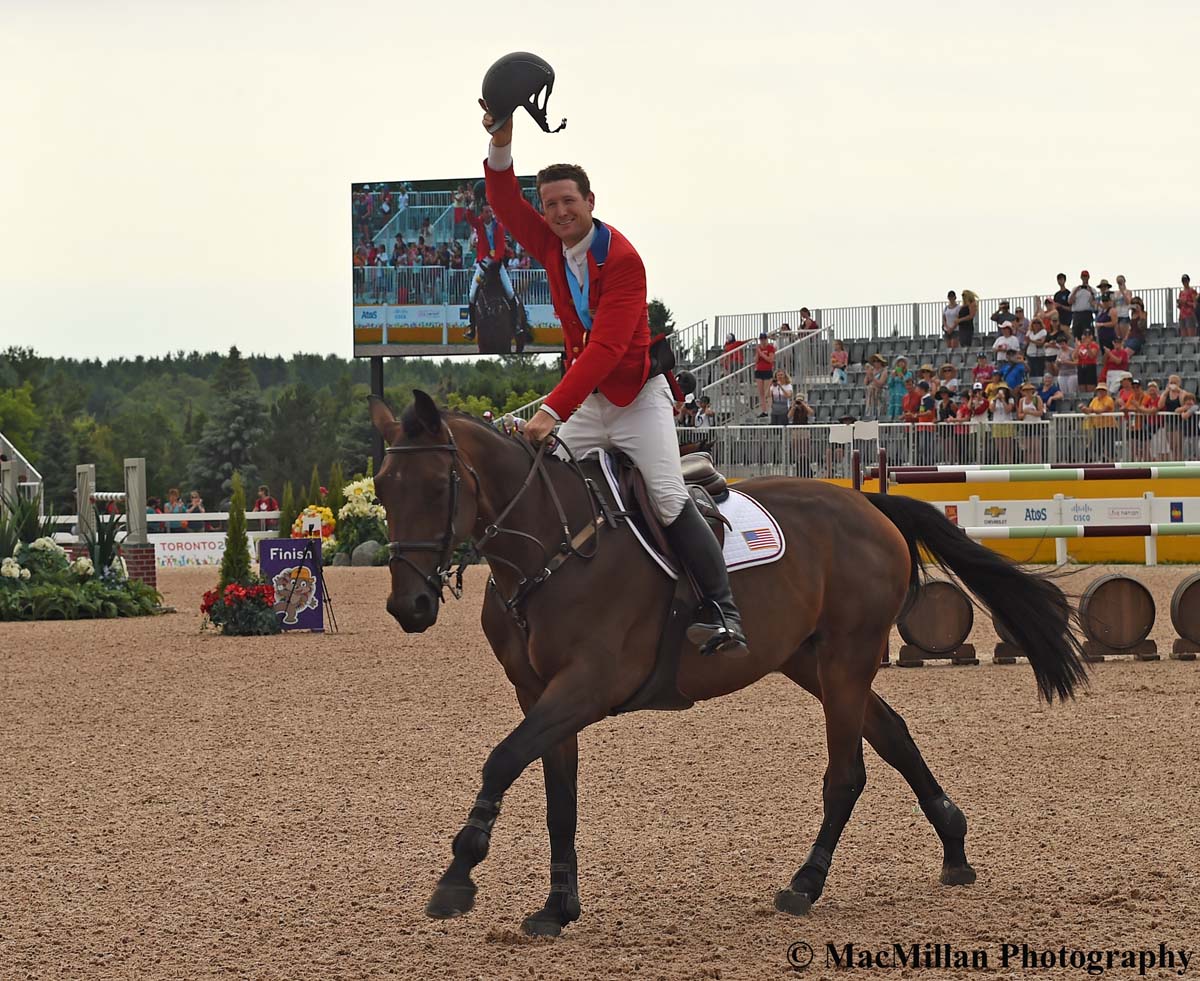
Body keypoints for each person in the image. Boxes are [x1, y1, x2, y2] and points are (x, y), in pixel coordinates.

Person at [480, 97, 746, 656]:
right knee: (538, 482)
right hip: (585, 400)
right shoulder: (550, 243)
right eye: (549, 203)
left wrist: (552, 409)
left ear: (590, 202)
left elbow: (606, 347)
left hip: (633, 397)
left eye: (568, 201)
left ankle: (723, 610)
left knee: (669, 496)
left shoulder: (623, 259)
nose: (558, 212)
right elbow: (503, 201)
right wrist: (500, 138)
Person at [463, 204, 519, 341]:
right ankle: (472, 327)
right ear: (481, 213)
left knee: (510, 293)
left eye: (491, 211)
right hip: (482, 267)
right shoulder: (479, 224)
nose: (490, 214)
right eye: (487, 212)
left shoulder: (498, 227)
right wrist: (471, 205)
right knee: (471, 295)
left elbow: (500, 247)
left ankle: (516, 325)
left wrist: (496, 260)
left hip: (497, 265)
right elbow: (469, 217)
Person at [754, 332, 777, 416]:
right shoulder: (759, 348)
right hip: (759, 370)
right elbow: (756, 360)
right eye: (761, 339)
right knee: (761, 393)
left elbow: (770, 359)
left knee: (767, 392)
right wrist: (758, 353)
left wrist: (761, 354)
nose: (763, 341)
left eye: (764, 339)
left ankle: (769, 409)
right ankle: (764, 410)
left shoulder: (770, 348)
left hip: (767, 370)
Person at [1069, 270, 1098, 339]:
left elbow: (1095, 302)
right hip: (1077, 314)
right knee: (1076, 335)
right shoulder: (1075, 289)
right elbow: (1070, 301)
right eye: (1083, 276)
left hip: (1087, 314)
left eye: (1086, 276)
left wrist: (1090, 291)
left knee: (1088, 334)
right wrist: (1075, 291)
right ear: (1081, 277)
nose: (1084, 278)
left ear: (1088, 277)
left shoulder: (1092, 290)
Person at [864, 353, 887, 418]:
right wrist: (868, 373)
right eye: (874, 361)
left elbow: (880, 383)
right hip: (871, 395)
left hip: (879, 394)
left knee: (879, 411)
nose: (876, 363)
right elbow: (865, 382)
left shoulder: (884, 371)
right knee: (870, 411)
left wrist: (873, 377)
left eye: (878, 361)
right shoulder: (872, 370)